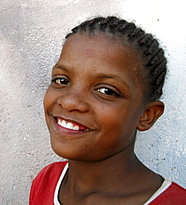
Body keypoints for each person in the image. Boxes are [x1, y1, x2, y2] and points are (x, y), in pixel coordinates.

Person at [30, 16, 186, 205]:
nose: (70, 101)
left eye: (106, 91)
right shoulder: (48, 180)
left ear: (146, 115)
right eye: (62, 80)